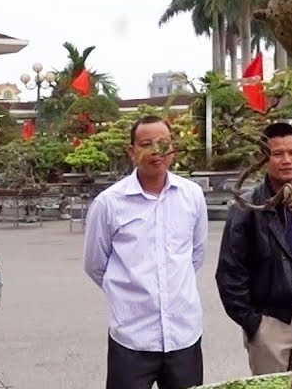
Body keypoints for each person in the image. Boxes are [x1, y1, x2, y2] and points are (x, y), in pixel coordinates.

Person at [84, 115, 209, 389]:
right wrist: (129, 295)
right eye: (146, 144)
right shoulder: (109, 203)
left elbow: (196, 255)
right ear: (132, 151)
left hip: (183, 335)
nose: (156, 151)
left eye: (164, 143)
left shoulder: (192, 196)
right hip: (132, 336)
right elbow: (95, 264)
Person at [216, 122, 292, 375]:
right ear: (262, 159)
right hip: (270, 321)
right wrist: (253, 323)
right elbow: (230, 271)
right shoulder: (247, 206)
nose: (287, 160)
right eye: (277, 153)